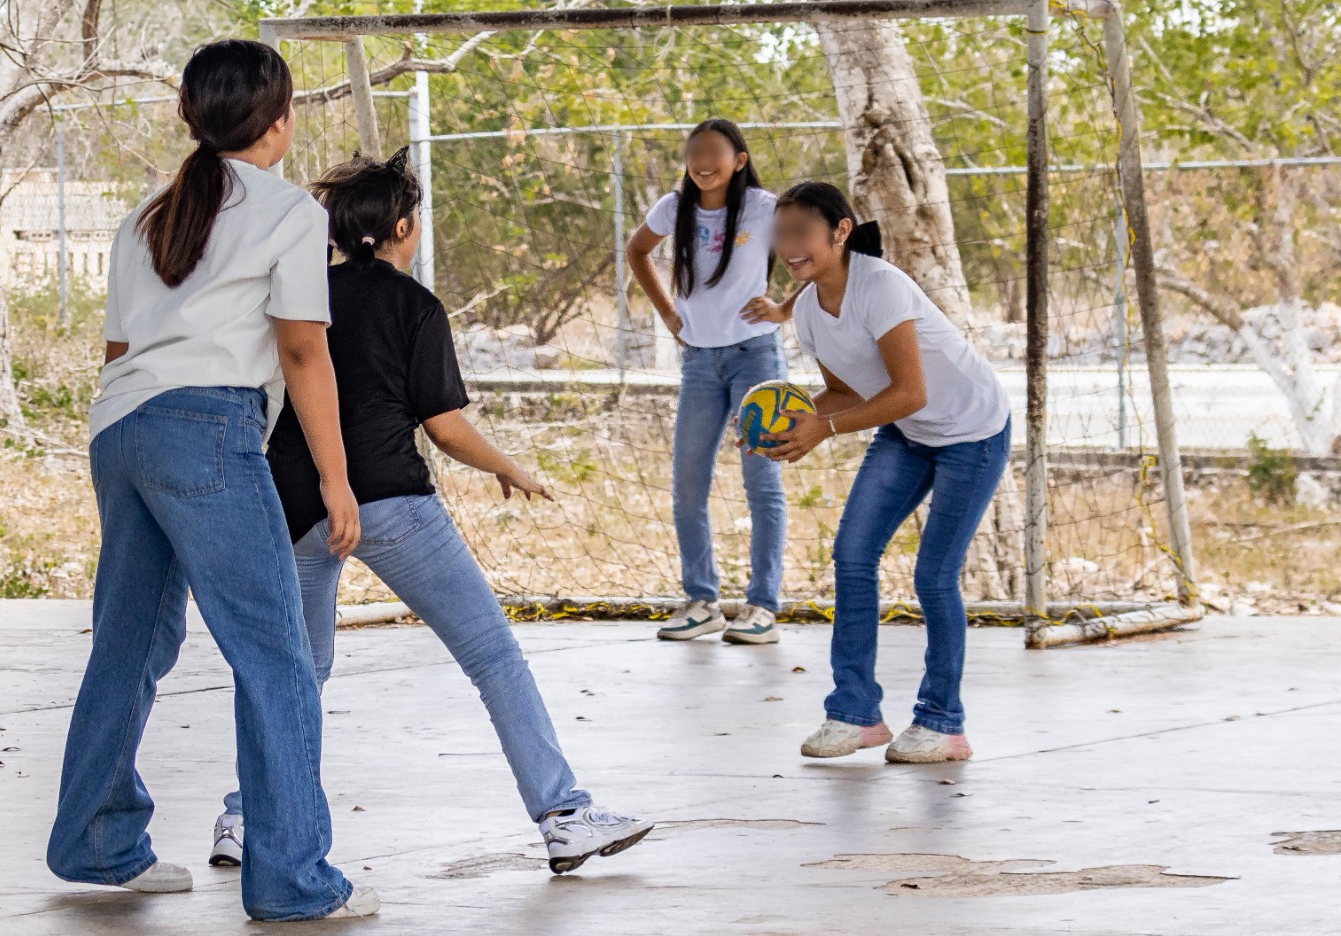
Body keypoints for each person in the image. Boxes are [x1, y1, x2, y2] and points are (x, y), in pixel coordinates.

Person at [208, 148, 653, 875]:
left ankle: (243, 816)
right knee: (492, 656)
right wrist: (505, 464)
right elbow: (443, 427)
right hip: (388, 500)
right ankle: (564, 816)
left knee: (294, 671)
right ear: (404, 226)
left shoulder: (295, 295)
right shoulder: (413, 305)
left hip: (292, 506)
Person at [46, 39, 378, 921]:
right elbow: (304, 349)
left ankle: (97, 844)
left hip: (121, 428)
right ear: (279, 121)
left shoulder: (147, 213)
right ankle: (293, 881)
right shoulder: (288, 212)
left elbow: (119, 353)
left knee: (129, 644)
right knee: (275, 654)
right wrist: (337, 482)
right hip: (206, 430)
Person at [747, 181, 1010, 764]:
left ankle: (944, 723)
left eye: (801, 233)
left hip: (972, 430)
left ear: (840, 232)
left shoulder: (881, 286)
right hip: (911, 432)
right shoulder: (811, 308)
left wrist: (824, 429)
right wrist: (789, 422)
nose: (789, 247)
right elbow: (843, 391)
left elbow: (910, 392)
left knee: (934, 576)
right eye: (780, 235)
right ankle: (855, 713)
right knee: (853, 553)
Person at [625, 119, 786, 645]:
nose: (702, 161)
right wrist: (671, 318)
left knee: (761, 482)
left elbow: (824, 255)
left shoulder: (764, 208)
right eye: (695, 152)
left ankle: (762, 606)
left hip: (754, 357)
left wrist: (784, 308)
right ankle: (702, 600)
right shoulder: (674, 208)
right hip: (699, 362)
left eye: (715, 152)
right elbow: (637, 251)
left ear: (739, 159)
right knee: (687, 484)